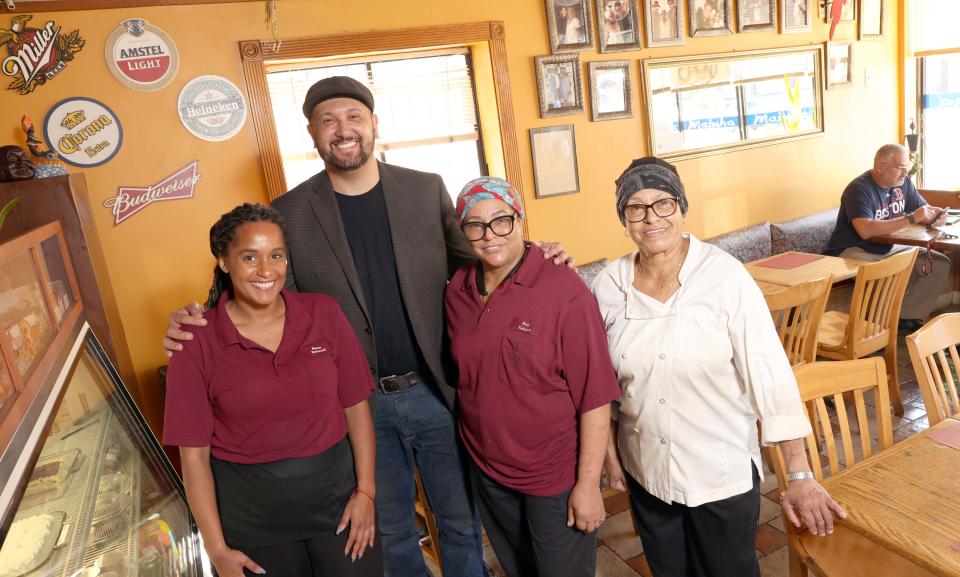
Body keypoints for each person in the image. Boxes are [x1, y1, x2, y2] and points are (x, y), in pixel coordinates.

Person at [164, 76, 572, 577]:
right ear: (312, 133)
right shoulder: (290, 212)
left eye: (354, 117)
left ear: (373, 124)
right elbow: (265, 295)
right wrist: (197, 317)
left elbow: (484, 258)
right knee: (392, 529)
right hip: (358, 405)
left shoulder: (425, 190)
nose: (343, 130)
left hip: (435, 390)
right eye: (328, 121)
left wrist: (538, 254)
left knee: (462, 522)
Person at [593, 157, 846, 577]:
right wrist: (608, 451)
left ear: (682, 208)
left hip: (719, 475)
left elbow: (770, 375)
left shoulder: (724, 277)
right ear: (624, 219)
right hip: (648, 474)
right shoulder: (609, 285)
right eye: (636, 207)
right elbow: (599, 379)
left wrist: (798, 472)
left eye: (663, 203)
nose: (651, 217)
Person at [163, 203, 382, 577]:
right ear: (224, 262)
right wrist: (216, 550)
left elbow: (356, 408)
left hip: (338, 505)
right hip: (252, 522)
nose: (266, 270)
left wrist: (367, 493)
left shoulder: (323, 313)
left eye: (276, 256)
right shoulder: (195, 339)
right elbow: (194, 458)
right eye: (250, 257)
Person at [445, 177, 621, 577]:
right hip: (488, 469)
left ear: (520, 219)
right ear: (463, 231)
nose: (490, 235)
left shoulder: (565, 291)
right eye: (475, 224)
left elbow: (595, 396)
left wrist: (589, 484)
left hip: (553, 474)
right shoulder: (457, 289)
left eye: (501, 220)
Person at [825, 143, 950, 333]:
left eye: (907, 168)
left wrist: (935, 216)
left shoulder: (903, 184)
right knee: (889, 270)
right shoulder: (859, 189)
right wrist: (911, 218)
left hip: (890, 247)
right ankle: (875, 328)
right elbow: (865, 230)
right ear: (880, 166)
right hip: (853, 250)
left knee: (938, 264)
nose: (905, 173)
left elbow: (923, 211)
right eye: (900, 168)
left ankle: (902, 318)